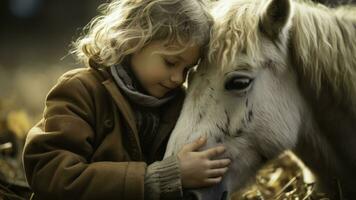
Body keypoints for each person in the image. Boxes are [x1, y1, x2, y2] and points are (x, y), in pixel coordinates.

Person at [22, 0, 231, 199]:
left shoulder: (177, 106)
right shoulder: (81, 91)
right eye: (170, 62)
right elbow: (49, 172)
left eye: (187, 69)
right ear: (134, 40)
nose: (178, 78)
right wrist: (160, 178)